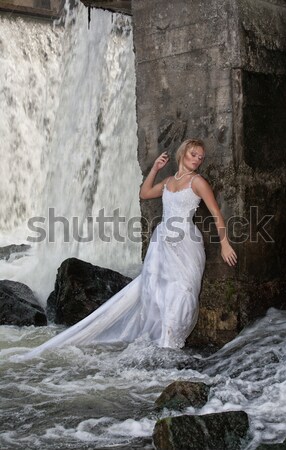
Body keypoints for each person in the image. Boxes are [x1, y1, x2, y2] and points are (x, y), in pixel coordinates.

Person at [14, 139, 237, 360]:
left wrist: (224, 243)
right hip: (162, 242)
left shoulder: (198, 182)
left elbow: (216, 214)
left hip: (185, 241)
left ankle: (171, 343)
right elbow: (145, 193)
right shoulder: (169, 181)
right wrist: (155, 169)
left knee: (183, 290)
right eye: (193, 154)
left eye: (201, 157)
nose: (197, 159)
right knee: (155, 290)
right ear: (183, 154)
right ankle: (163, 343)